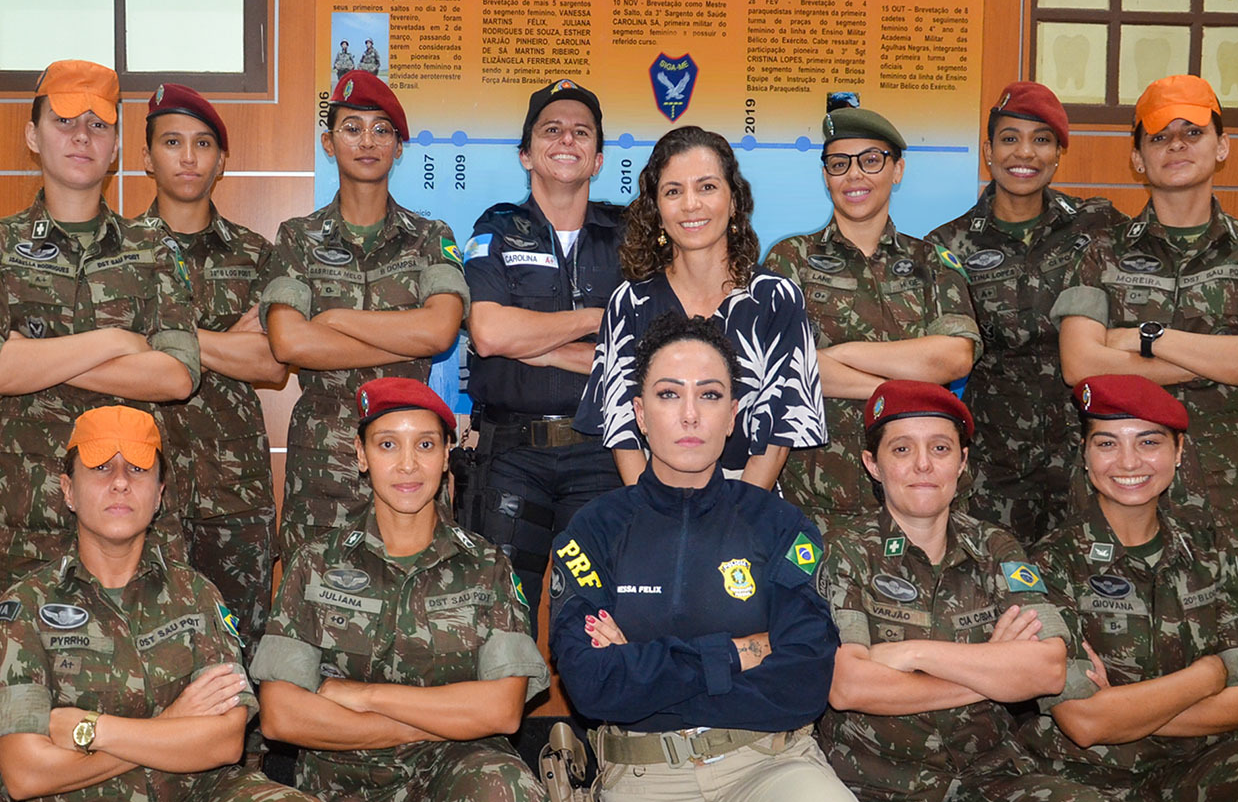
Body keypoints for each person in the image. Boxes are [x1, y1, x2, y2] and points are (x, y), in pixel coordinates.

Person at [551, 313, 891, 802]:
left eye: (709, 395)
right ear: (637, 411)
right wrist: (743, 650)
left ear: (733, 414)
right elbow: (595, 687)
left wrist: (648, 665)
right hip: (649, 774)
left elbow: (803, 681)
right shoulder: (592, 533)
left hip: (767, 761)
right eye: (668, 394)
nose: (689, 415)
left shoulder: (781, 526)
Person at [0, 405, 333, 802]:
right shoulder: (26, 608)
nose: (119, 483)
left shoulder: (195, 595)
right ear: (66, 489)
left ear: (158, 496)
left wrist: (90, 729)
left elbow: (225, 741)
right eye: (100, 468)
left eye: (137, 470)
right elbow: (24, 772)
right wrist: (174, 725)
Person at [0, 62, 201, 802]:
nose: (85, 137)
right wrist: (113, 338)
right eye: (67, 122)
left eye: (101, 124)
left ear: (117, 143)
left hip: (128, 521)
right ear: (33, 135)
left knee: (135, 697)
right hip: (20, 525)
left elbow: (176, 373)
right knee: (21, 724)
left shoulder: (153, 249)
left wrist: (40, 350)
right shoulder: (3, 247)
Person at [818, 379, 1130, 802]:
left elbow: (1048, 669)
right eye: (901, 448)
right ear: (871, 463)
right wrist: (991, 670)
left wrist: (913, 655)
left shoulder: (997, 548)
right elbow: (849, 683)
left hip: (985, 786)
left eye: (940, 448)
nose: (922, 465)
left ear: (963, 463)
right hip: (878, 795)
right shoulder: (845, 548)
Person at [252, 377, 550, 802]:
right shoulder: (315, 564)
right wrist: (443, 714)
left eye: (426, 444)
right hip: (350, 784)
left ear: (446, 456)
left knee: (505, 797)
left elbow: (504, 710)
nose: (407, 464)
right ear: (360, 457)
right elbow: (283, 717)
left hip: (458, 771)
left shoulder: (485, 566)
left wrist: (360, 694)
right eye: (388, 444)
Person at [1025, 373, 1238, 802]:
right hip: (1101, 794)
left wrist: (1121, 704)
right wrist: (1211, 674)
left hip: (1199, 776)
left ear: (1179, 452)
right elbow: (1085, 726)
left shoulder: (1212, 555)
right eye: (1107, 442)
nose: (1128, 460)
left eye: (1149, 441)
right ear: (1085, 456)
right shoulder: (1045, 565)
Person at [1052, 74, 1238, 614]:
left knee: (1234, 664)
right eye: (1158, 136)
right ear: (1137, 157)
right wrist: (1224, 358)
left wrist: (1148, 340)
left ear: (1221, 146)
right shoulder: (1099, 253)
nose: (1176, 145)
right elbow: (1081, 365)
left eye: (1192, 131)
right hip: (1118, 493)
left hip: (1229, 501)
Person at [261, 69, 467, 563]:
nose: (367, 141)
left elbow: (440, 331)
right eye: (352, 128)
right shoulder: (296, 237)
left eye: (382, 129)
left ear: (399, 147)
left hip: (410, 466)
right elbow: (289, 344)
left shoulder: (430, 237)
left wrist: (333, 321)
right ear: (330, 143)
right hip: (322, 471)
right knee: (313, 616)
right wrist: (405, 333)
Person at [765, 98, 980, 535]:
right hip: (815, 504)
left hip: (920, 505)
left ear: (897, 170)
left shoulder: (932, 262)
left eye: (871, 160)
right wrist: (902, 391)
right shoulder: (791, 260)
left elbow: (954, 358)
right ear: (825, 176)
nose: (855, 175)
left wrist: (838, 355)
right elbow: (785, 368)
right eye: (839, 163)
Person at [928, 82, 1128, 544]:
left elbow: (1163, 253)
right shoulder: (947, 245)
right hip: (990, 474)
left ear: (1059, 153)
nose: (1025, 153)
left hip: (1088, 462)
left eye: (1041, 140)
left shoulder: (1098, 225)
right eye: (1009, 138)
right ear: (988, 151)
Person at [575, 125, 826, 492]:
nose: (691, 204)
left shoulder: (776, 299)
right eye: (673, 191)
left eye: (707, 187)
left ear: (734, 200)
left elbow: (778, 434)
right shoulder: (629, 303)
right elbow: (623, 431)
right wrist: (654, 514)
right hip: (650, 502)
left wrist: (736, 520)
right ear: (657, 211)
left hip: (747, 499)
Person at [459, 79, 624, 635]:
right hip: (511, 458)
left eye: (581, 132)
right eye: (550, 129)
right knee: (501, 615)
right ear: (527, 153)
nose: (566, 140)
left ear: (598, 158)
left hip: (602, 458)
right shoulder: (498, 227)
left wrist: (534, 343)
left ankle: (592, 725)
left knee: (596, 615)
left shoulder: (630, 236)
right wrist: (599, 321)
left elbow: (643, 351)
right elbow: (488, 334)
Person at [141, 82, 284, 664]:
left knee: (239, 652)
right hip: (142, 486)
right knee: (151, 650)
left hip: (236, 494)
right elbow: (109, 358)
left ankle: (243, 758)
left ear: (222, 161)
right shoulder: (117, 253)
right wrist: (227, 343)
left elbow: (271, 364)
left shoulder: (256, 254)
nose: (189, 157)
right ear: (146, 156)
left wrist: (159, 338)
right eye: (172, 142)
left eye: (203, 144)